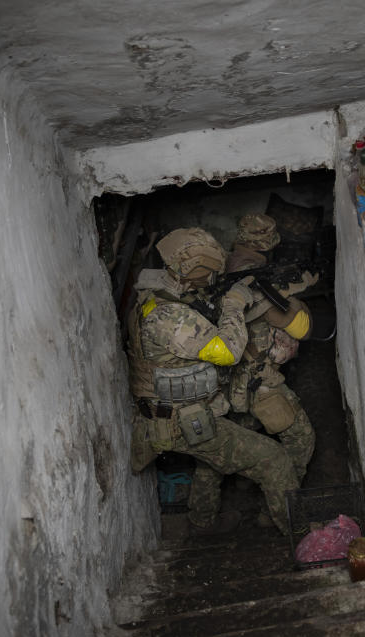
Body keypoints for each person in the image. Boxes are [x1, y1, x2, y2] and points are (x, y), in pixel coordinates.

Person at [126, 227, 299, 535]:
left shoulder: (157, 295)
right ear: (195, 271)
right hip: (181, 422)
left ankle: (201, 520)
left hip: (180, 412)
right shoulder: (168, 320)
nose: (213, 280)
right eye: (210, 274)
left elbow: (199, 310)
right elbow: (229, 352)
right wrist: (233, 304)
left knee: (214, 459)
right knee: (275, 460)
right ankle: (300, 537)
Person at [225, 214, 317, 488]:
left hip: (231, 374)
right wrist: (298, 299)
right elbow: (302, 330)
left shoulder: (231, 263)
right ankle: (284, 503)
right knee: (301, 438)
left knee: (228, 442)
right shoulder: (256, 282)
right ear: (269, 244)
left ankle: (202, 514)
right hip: (258, 379)